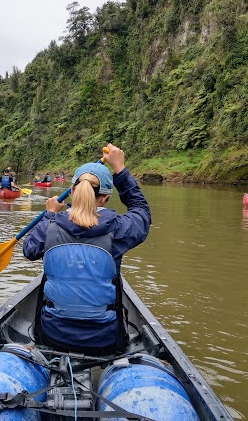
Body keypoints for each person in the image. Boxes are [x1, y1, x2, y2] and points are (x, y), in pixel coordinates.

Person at [23, 144, 151, 355]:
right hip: (105, 339)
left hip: (53, 335)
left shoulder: (50, 225)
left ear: (72, 192)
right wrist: (120, 170)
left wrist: (48, 215)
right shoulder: (119, 229)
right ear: (106, 198)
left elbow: (30, 250)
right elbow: (142, 212)